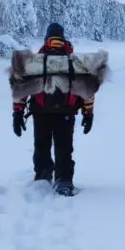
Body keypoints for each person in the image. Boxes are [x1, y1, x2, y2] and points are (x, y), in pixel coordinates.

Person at [12, 24, 94, 195]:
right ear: (63, 38)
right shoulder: (74, 61)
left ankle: (42, 180)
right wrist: (88, 113)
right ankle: (64, 182)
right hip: (66, 113)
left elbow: (22, 88)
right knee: (64, 148)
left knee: (41, 146)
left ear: (47, 38)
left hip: (41, 112)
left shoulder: (36, 61)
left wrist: (17, 113)